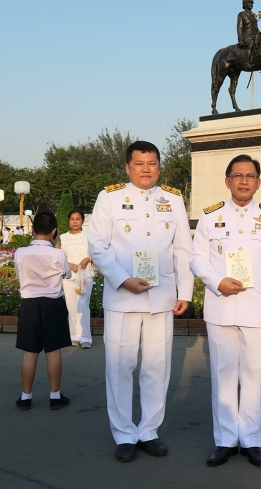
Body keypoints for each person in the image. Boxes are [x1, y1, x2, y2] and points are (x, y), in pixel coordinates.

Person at [87, 141, 194, 463]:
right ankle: (123, 433)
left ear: (159, 166)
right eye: (139, 163)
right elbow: (97, 246)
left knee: (156, 367)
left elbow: (183, 248)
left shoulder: (173, 199)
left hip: (161, 297)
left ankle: (149, 430)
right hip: (123, 297)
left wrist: (185, 291)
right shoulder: (109, 198)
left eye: (152, 163)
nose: (146, 169)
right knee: (120, 368)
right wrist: (122, 279)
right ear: (127, 167)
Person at [190, 154, 261, 468]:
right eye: (237, 175)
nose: (243, 181)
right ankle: (224, 440)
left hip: (258, 310)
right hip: (221, 307)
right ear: (227, 181)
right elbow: (196, 259)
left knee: (254, 376)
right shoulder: (211, 216)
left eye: (249, 176)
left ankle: (251, 440)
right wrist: (217, 280)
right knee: (222, 376)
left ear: (258, 183)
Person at [13, 210, 72, 411]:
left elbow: (19, 274)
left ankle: (25, 396)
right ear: (54, 231)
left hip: (29, 304)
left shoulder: (20, 253)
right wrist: (57, 247)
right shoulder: (58, 253)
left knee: (30, 351)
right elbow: (67, 274)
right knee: (53, 351)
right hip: (52, 304)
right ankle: (55, 395)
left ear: (32, 229)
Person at [58, 209, 94, 348]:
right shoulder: (62, 238)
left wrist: (88, 259)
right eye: (72, 219)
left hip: (85, 275)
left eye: (78, 219)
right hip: (69, 276)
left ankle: (85, 338)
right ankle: (74, 337)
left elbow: (96, 253)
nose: (75, 221)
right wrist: (69, 264)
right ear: (68, 221)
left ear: (83, 221)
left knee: (83, 306)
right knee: (71, 307)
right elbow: (59, 256)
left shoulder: (89, 236)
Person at [237, 0, 260, 67]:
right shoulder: (241, 15)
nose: (251, 4)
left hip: (254, 35)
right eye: (249, 3)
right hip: (247, 37)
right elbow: (239, 27)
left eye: (252, 3)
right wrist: (241, 39)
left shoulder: (253, 16)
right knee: (251, 43)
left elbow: (256, 28)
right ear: (244, 4)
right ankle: (246, 62)